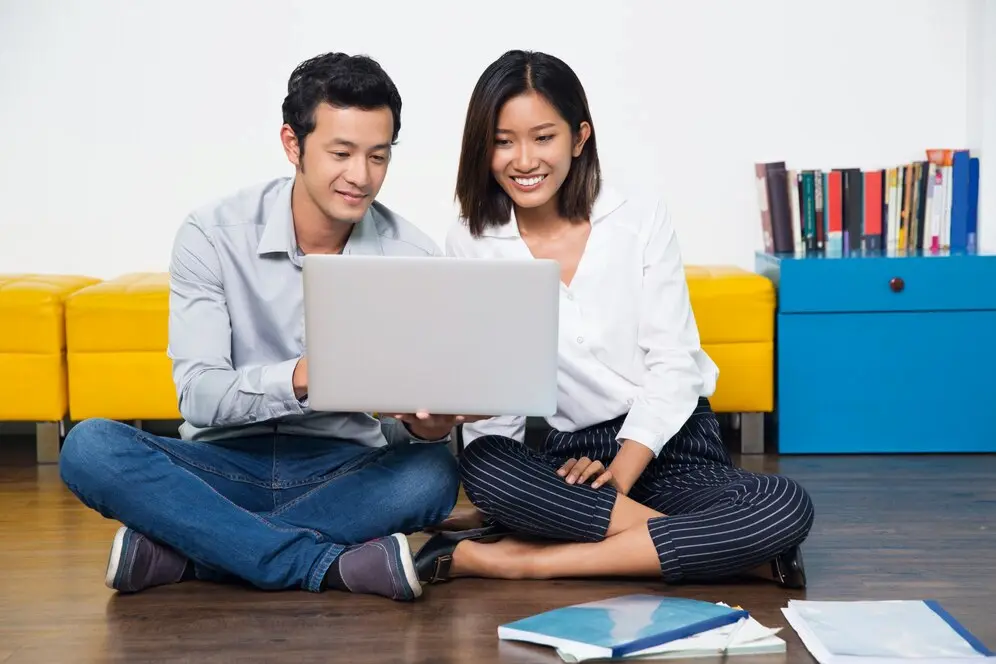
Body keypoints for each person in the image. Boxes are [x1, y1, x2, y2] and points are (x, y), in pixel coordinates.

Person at [58, 52, 466, 602]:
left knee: (432, 476)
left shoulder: (414, 256)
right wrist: (303, 376)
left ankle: (196, 553)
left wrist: (429, 428)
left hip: (340, 467)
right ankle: (326, 567)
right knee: (89, 448)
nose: (361, 176)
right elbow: (199, 396)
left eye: (378, 156)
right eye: (341, 153)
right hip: (220, 463)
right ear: (293, 144)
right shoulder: (212, 234)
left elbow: (406, 429)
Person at [413, 50, 815, 589]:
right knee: (485, 464)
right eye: (503, 141)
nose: (523, 159)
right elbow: (494, 382)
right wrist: (494, 491)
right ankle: (733, 552)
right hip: (572, 461)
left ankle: (520, 561)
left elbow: (675, 362)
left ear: (579, 138)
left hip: (670, 445)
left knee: (782, 504)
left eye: (543, 137)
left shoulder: (639, 216)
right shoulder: (470, 237)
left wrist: (624, 469)